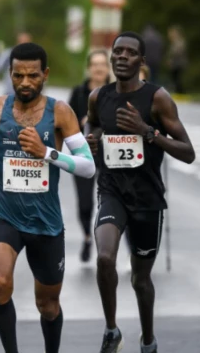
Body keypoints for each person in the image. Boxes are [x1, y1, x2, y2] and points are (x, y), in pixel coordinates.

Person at [0, 42, 96, 353]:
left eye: (33, 76)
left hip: (46, 221)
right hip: (5, 213)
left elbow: (88, 167)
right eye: (18, 75)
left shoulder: (61, 113)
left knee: (48, 304)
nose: (25, 83)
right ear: (9, 75)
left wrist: (48, 152)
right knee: (0, 283)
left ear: (46, 74)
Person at [85, 31, 196, 353]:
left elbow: (188, 152)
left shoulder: (157, 98)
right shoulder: (98, 97)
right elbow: (91, 125)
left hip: (147, 198)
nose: (121, 57)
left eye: (129, 53)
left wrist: (147, 132)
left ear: (141, 61)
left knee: (140, 278)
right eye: (116, 51)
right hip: (111, 191)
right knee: (105, 257)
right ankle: (111, 330)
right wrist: (92, 140)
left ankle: (148, 339)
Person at [67, 49, 111, 262]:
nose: (99, 69)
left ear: (108, 68)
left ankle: (114, 241)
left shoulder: (116, 91)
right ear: (89, 68)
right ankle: (86, 237)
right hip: (84, 152)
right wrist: (82, 123)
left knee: (112, 201)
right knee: (85, 203)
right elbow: (66, 123)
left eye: (103, 64)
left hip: (111, 154)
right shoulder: (78, 92)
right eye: (95, 64)